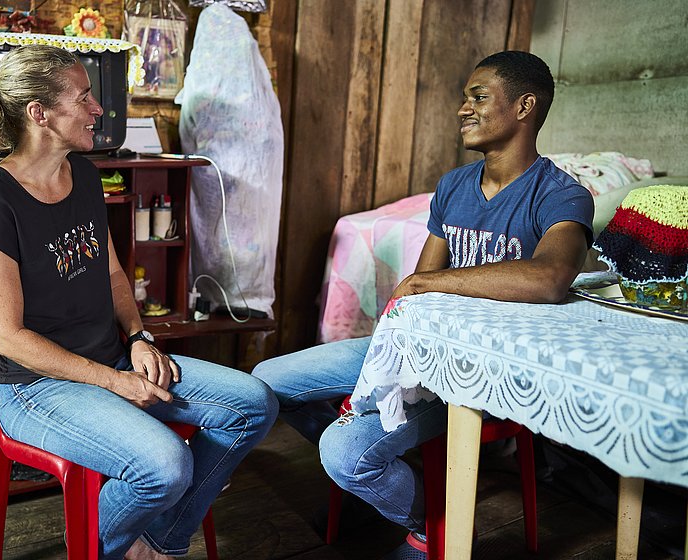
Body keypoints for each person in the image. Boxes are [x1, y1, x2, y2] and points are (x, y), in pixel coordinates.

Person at [253, 50, 594, 560]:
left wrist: (431, 284)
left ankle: (430, 520)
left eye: (478, 97)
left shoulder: (562, 194)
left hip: (479, 371)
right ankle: (376, 479)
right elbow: (418, 285)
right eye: (464, 97)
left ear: (525, 106)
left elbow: (549, 279)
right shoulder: (455, 185)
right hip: (417, 348)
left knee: (343, 451)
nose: (463, 108)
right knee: (267, 381)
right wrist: (413, 305)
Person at [0, 45, 278, 560]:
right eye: (83, 97)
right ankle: (98, 548)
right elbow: (8, 338)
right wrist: (114, 381)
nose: (98, 109)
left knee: (253, 404)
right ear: (39, 114)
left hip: (112, 356)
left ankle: (151, 541)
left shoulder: (83, 174)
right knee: (166, 466)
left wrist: (139, 336)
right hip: (35, 387)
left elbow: (109, 272)